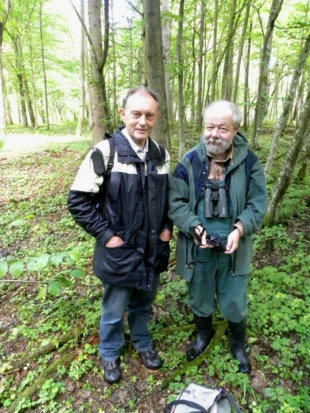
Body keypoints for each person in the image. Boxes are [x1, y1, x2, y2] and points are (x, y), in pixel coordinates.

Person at [68, 87, 172, 384]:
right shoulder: (105, 152)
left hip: (152, 248)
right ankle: (110, 350)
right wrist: (106, 235)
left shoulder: (160, 154)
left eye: (149, 115)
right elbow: (78, 201)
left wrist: (166, 230)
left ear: (156, 118)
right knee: (114, 308)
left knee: (143, 301)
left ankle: (142, 341)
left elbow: (166, 199)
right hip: (120, 249)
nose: (142, 121)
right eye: (136, 113)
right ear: (123, 113)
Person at [168, 100, 267, 374]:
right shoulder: (189, 162)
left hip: (235, 249)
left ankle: (238, 344)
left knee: (235, 300)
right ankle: (203, 335)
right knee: (199, 295)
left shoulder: (250, 163)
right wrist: (194, 227)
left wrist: (240, 228)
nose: (214, 134)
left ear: (236, 129)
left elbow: (258, 203)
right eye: (209, 127)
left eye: (222, 128)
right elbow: (175, 202)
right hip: (197, 248)